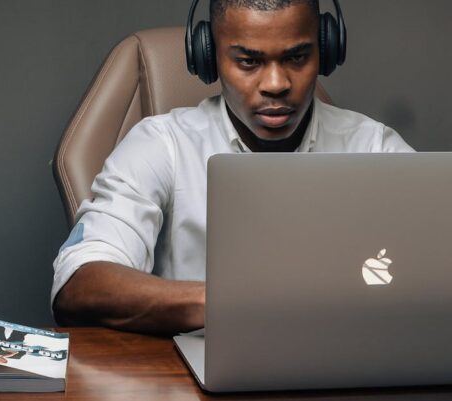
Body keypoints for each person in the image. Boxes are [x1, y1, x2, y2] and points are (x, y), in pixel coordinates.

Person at [51, 0, 413, 335]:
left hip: (345, 359)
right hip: (195, 367)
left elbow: (442, 260)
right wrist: (236, 304)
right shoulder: (162, 145)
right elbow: (79, 284)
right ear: (208, 58)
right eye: (249, 62)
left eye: (297, 57)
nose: (276, 84)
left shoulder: (373, 146)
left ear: (326, 50)